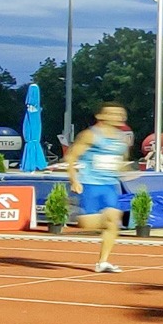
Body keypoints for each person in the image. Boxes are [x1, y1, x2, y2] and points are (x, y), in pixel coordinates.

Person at [62, 103, 134, 274]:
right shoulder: (90, 135)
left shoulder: (122, 139)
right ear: (101, 116)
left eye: (120, 114)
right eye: (113, 113)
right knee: (87, 224)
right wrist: (74, 180)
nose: (118, 117)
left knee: (113, 221)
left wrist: (126, 172)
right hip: (90, 184)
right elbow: (71, 156)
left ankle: (103, 262)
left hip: (110, 185)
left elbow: (119, 161)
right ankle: (74, 214)